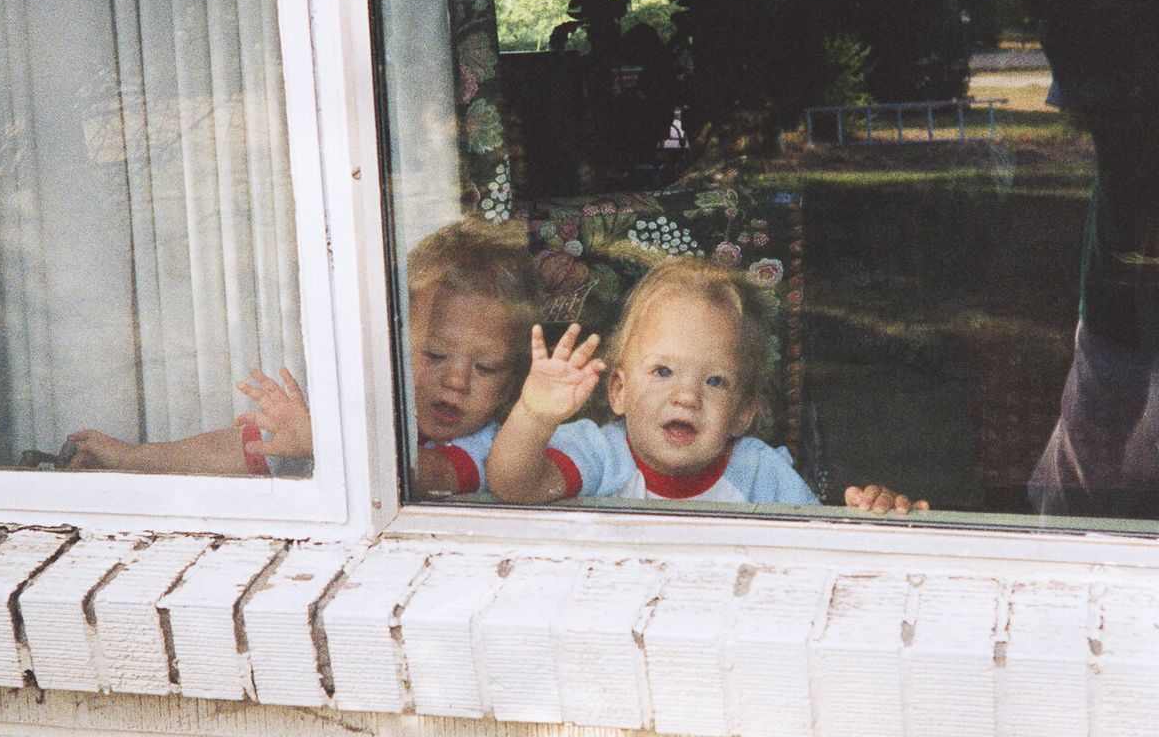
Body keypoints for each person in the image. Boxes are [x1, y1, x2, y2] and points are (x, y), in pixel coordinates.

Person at [64, 217, 543, 496]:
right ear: (396, 343)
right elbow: (248, 449)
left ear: (513, 380)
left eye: (485, 367)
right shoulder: (382, 413)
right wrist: (135, 460)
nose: (456, 381)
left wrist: (325, 441)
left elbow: (425, 475)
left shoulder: (492, 449)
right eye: (436, 354)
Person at [486, 255, 926, 512]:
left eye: (715, 381)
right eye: (662, 371)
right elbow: (513, 484)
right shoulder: (602, 454)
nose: (687, 396)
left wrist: (870, 517)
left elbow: (815, 553)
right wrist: (534, 414)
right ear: (617, 391)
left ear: (741, 413)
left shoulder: (759, 474)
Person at [1024, 0, 1159, 517]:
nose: (1116, 146)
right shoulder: (1127, 216)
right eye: (1089, 117)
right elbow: (1072, 504)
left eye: (1120, 108)